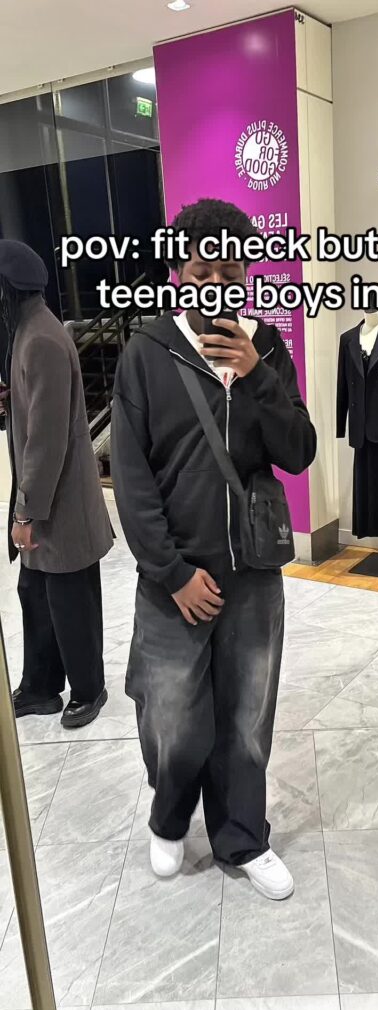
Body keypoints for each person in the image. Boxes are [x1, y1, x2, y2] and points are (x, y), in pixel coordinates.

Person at [111, 198, 316, 899]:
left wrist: (258, 375)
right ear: (178, 272)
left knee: (247, 718)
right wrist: (171, 573)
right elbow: (132, 478)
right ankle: (170, 818)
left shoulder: (268, 347)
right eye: (203, 271)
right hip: (173, 580)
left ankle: (242, 836)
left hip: (253, 573)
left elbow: (298, 451)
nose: (217, 285)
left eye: (232, 272)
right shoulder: (147, 351)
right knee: (171, 716)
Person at [0, 240, 114, 728]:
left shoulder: (40, 339)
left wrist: (25, 512)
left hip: (60, 507)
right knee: (36, 595)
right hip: (52, 502)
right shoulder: (30, 331)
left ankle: (89, 690)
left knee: (71, 603)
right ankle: (41, 687)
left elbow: (46, 442)